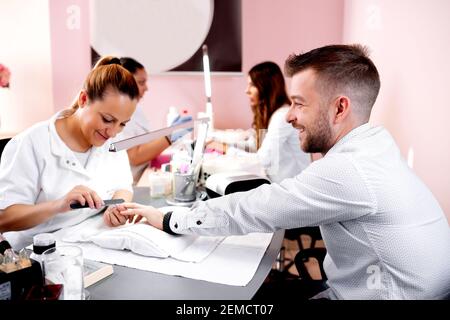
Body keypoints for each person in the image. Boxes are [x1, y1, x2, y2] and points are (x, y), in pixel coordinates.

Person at [115, 44, 450, 300]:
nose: (289, 116)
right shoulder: (376, 147)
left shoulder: (350, 169)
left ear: (340, 108)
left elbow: (259, 208)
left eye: (299, 103)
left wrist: (171, 219)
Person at [0, 56, 139, 250]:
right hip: (36, 255)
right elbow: (5, 218)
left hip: (88, 244)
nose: (113, 132)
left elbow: (123, 186)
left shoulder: (111, 143)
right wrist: (59, 205)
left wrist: (118, 207)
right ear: (83, 99)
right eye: (107, 119)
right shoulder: (31, 143)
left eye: (122, 124)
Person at [209, 61, 310, 183]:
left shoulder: (282, 117)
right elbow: (253, 146)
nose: (247, 91)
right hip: (277, 183)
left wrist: (225, 149)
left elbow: (262, 160)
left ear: (266, 87)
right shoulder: (270, 115)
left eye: (252, 85)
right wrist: (222, 143)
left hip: (292, 188)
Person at [118, 57, 192, 184]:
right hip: (130, 182)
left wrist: (169, 132)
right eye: (141, 82)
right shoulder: (119, 113)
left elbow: (145, 142)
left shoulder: (136, 109)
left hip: (144, 172)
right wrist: (169, 136)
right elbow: (134, 156)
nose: (146, 88)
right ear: (125, 83)